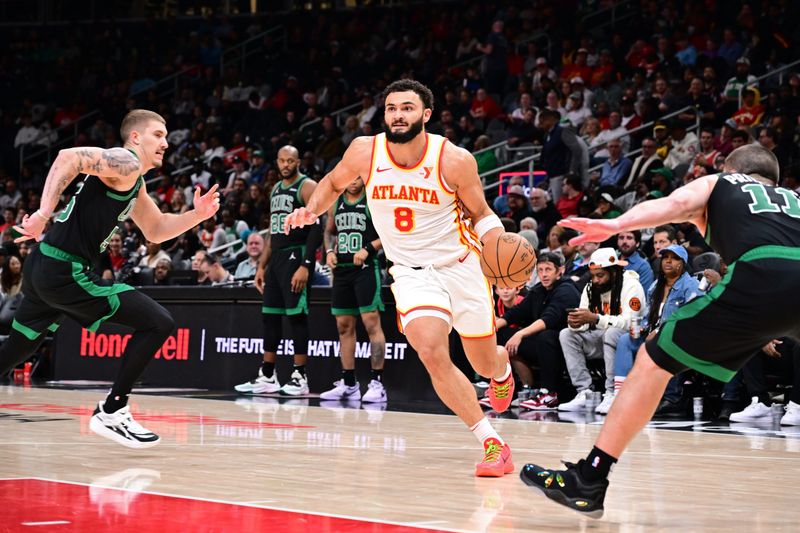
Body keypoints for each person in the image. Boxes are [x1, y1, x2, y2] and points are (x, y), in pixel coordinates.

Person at [520, 144, 798, 517]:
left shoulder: (723, 182)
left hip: (762, 272)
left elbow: (674, 203)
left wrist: (617, 225)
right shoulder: (793, 200)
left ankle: (590, 477)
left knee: (652, 360)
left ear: (732, 169)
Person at [284, 79, 515, 477]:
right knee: (430, 351)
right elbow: (334, 184)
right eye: (391, 108)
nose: (398, 115)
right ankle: (492, 442)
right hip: (410, 273)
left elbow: (481, 213)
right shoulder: (364, 151)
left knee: (483, 359)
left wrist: (498, 242)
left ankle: (501, 371)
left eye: (407, 108)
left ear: (425, 115)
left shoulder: (453, 159)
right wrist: (311, 210)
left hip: (461, 266)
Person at [2, 109, 220, 448]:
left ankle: (112, 410)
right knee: (158, 322)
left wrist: (198, 215)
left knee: (19, 347)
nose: (166, 142)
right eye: (158, 135)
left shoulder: (134, 180)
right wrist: (44, 213)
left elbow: (156, 229)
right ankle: (112, 410)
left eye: (166, 135)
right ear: (136, 137)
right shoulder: (126, 162)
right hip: (65, 270)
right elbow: (67, 157)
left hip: (45, 267)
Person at [235, 145, 322, 397]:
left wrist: (306, 265)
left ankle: (300, 376)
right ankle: (268, 375)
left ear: (298, 162)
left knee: (296, 316)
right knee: (270, 316)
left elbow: (316, 229)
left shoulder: (307, 186)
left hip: (297, 254)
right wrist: (262, 265)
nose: (286, 165)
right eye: (282, 161)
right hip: (277, 259)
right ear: (277, 161)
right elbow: (273, 232)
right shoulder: (274, 189)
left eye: (291, 161)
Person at [320, 176, 388, 403]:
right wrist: (329, 252)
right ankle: (349, 384)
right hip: (342, 270)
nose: (352, 180)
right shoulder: (336, 201)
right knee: (343, 326)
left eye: (357, 176)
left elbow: (388, 233)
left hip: (366, 268)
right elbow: (329, 232)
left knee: (371, 323)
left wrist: (369, 248)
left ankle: (377, 383)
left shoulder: (372, 201)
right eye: (348, 175)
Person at [557, 248, 646, 415]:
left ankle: (612, 392)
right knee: (566, 334)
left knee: (611, 333)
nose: (595, 280)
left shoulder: (632, 286)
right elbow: (586, 318)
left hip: (631, 341)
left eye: (600, 275)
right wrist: (577, 323)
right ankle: (584, 392)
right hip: (602, 338)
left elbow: (629, 322)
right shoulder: (591, 288)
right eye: (593, 275)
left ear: (613, 272)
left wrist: (596, 319)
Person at [496, 253, 580, 410]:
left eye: (548, 269)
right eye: (540, 270)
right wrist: (492, 327)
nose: (544, 274)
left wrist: (520, 334)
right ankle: (506, 388)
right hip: (544, 346)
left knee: (545, 336)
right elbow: (516, 312)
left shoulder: (566, 290)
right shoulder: (538, 290)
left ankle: (549, 394)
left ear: (559, 271)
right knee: (500, 334)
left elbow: (549, 319)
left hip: (568, 346)